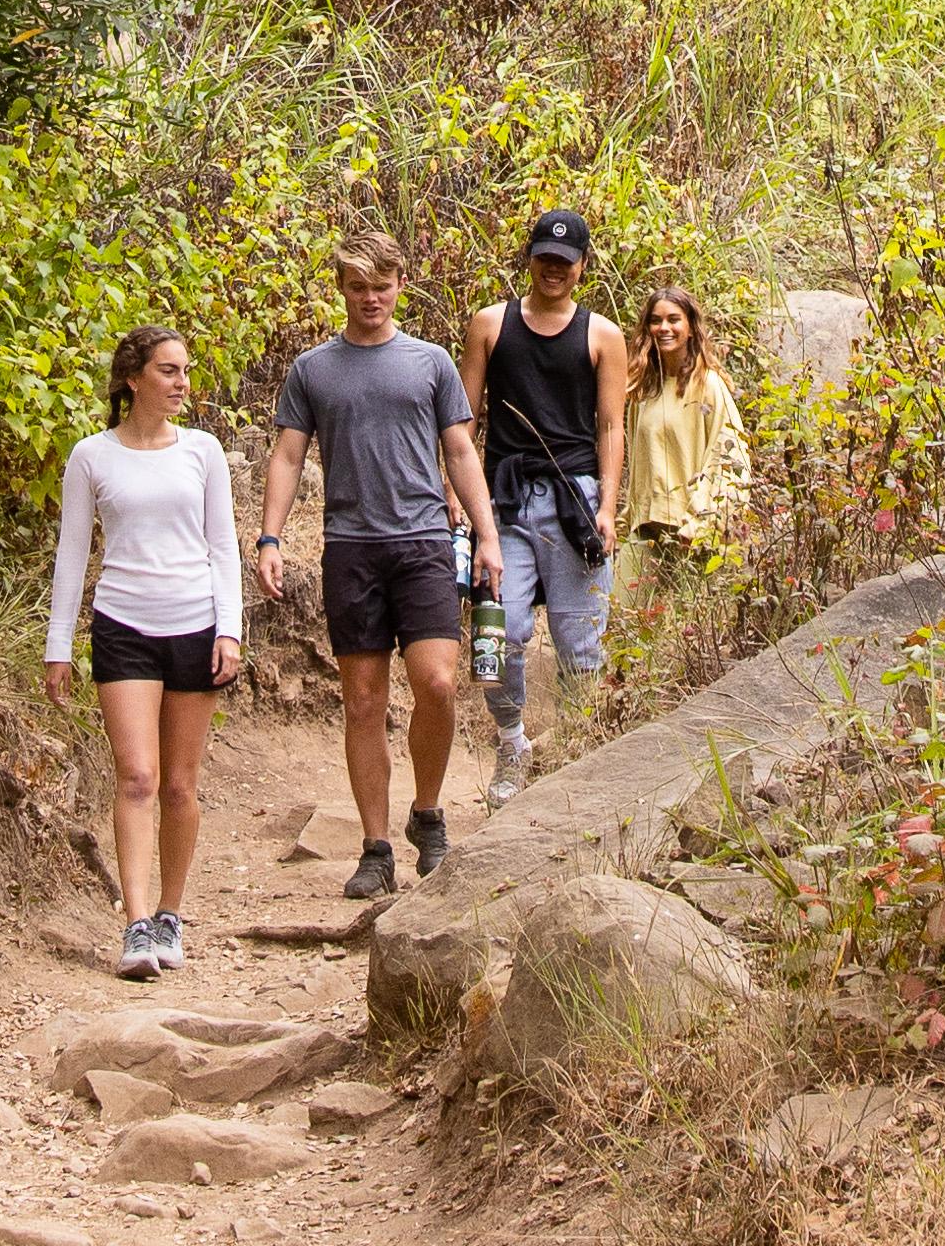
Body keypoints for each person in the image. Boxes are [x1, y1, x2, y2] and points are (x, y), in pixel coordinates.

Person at [259, 237, 501, 901]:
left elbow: (459, 448)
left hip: (422, 542)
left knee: (439, 684)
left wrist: (487, 535)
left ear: (401, 285)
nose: (372, 298)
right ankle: (375, 847)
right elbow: (286, 455)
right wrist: (270, 538)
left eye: (383, 284)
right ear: (341, 288)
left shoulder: (430, 362)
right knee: (363, 701)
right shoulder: (313, 369)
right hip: (352, 547)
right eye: (359, 286)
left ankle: (427, 812)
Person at [46, 323, 241, 981]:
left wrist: (230, 630)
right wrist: (57, 647)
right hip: (123, 625)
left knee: (181, 785)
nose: (182, 382)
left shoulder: (204, 451)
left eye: (185, 370)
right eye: (168, 370)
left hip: (194, 624)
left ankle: (169, 914)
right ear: (133, 378)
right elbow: (73, 554)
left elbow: (224, 547)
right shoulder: (92, 456)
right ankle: (133, 925)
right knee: (137, 777)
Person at [458, 207, 627, 802]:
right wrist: (460, 497)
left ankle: (578, 754)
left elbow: (610, 426)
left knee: (580, 641)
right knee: (498, 631)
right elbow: (465, 419)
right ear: (528, 259)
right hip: (504, 497)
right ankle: (511, 743)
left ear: (581, 267)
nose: (552, 271)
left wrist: (608, 505)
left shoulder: (602, 335)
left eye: (564, 262)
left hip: (574, 500)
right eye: (543, 259)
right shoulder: (491, 324)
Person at [622, 283, 752, 574]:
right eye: (656, 321)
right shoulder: (643, 390)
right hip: (646, 527)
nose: (664, 327)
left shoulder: (708, 385)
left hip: (690, 532)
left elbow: (732, 459)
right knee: (622, 615)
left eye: (673, 319)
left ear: (691, 327)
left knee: (684, 619)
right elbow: (638, 464)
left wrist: (702, 523)